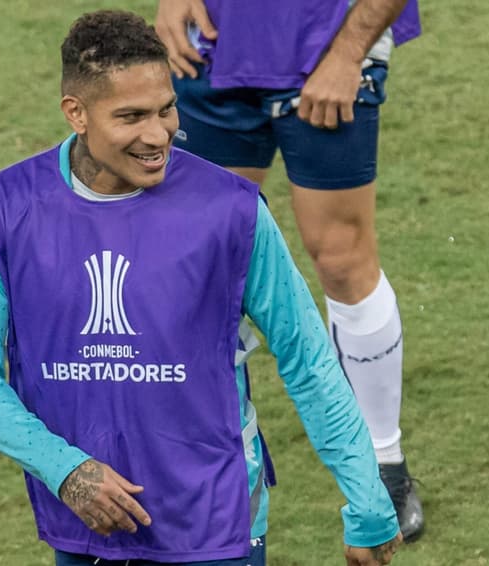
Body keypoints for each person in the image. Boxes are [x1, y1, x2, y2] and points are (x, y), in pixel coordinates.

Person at [0, 10, 401, 566]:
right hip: (88, 526)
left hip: (214, 522)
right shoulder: (5, 209)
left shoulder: (230, 211)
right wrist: (66, 470)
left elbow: (307, 359)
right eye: (131, 117)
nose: (157, 135)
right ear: (76, 114)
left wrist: (368, 500)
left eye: (166, 110)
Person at [154, 0, 425, 541]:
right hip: (209, 51)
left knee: (341, 258)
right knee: (205, 258)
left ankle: (383, 464)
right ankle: (199, 459)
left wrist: (349, 55)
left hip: (328, 46)